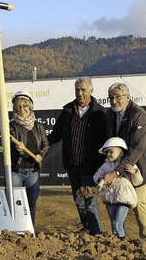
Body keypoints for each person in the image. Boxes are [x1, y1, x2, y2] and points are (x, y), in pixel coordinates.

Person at [47, 77, 107, 235]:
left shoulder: (100, 114)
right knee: (79, 200)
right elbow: (55, 135)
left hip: (91, 166)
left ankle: (96, 233)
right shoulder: (67, 112)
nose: (80, 93)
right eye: (77, 90)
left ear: (91, 91)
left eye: (83, 90)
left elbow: (106, 141)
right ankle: (87, 228)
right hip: (73, 164)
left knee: (90, 200)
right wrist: (40, 145)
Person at [104, 81, 146, 242]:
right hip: (124, 164)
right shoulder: (110, 114)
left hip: (143, 165)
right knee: (115, 199)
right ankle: (119, 237)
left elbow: (138, 148)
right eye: (111, 97)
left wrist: (116, 172)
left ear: (127, 97)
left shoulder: (139, 115)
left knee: (138, 201)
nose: (114, 101)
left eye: (118, 97)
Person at [9, 91, 49, 225]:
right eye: (19, 106)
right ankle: (15, 229)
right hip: (17, 171)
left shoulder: (38, 126)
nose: (22, 109)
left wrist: (40, 155)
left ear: (30, 107)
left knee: (31, 204)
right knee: (16, 203)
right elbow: (8, 144)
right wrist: (16, 148)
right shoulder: (11, 126)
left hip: (33, 172)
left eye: (25, 106)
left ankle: (29, 230)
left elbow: (46, 145)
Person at [93, 137, 143, 240]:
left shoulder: (129, 165)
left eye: (111, 151)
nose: (108, 154)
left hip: (123, 198)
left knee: (117, 224)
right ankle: (116, 242)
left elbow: (138, 181)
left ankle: (122, 242)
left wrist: (134, 172)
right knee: (113, 224)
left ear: (120, 153)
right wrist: (100, 180)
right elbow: (96, 176)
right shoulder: (106, 166)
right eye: (107, 152)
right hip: (110, 199)